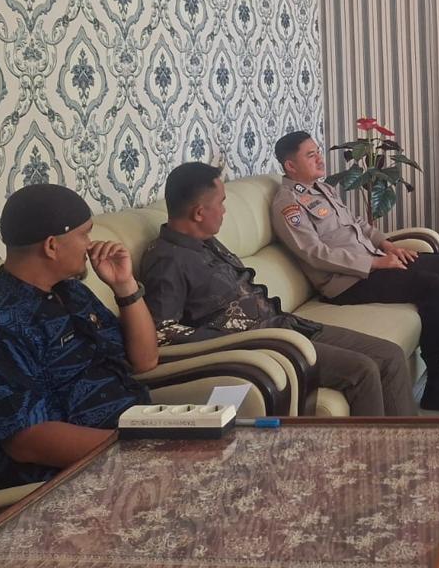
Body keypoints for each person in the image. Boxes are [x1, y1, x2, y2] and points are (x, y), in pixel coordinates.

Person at [141, 162, 417, 416]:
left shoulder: (205, 240)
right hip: (266, 346)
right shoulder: (167, 261)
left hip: (286, 325)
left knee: (389, 355)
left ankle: (412, 446)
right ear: (199, 213)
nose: (225, 211)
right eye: (221, 203)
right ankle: (372, 453)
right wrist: (229, 338)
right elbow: (163, 333)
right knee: (363, 370)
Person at [0, 184, 156, 487]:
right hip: (80, 478)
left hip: (136, 439)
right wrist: (146, 446)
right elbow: (29, 441)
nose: (90, 245)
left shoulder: (72, 292)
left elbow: (145, 361)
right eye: (84, 234)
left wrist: (125, 287)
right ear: (52, 246)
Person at [269, 131, 439, 415]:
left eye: (318, 151)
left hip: (372, 261)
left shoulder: (322, 188)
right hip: (346, 282)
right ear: (290, 166)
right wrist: (374, 264)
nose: (319, 158)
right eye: (310, 155)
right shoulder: (288, 204)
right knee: (431, 285)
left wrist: (387, 246)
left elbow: (358, 224)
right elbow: (314, 253)